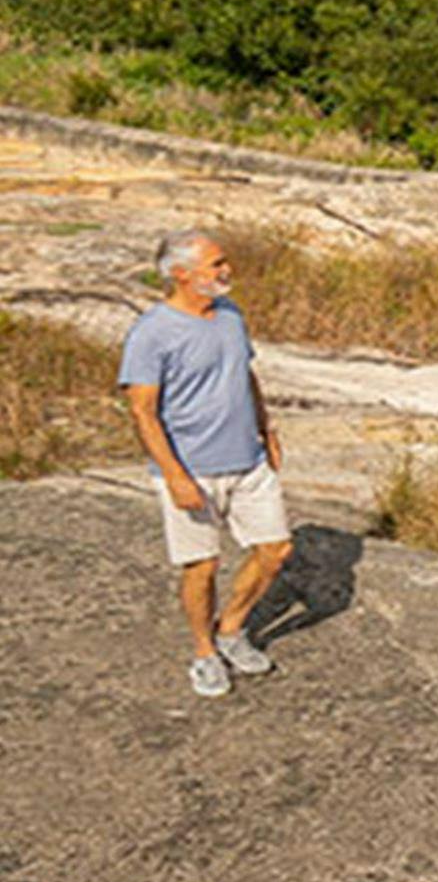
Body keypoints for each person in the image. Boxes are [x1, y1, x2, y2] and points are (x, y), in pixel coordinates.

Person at [119, 231, 292, 699]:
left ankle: (230, 628)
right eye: (216, 264)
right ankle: (204, 652)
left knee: (275, 551)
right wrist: (174, 475)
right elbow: (142, 410)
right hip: (192, 467)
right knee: (203, 566)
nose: (226, 270)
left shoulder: (231, 315)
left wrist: (267, 430)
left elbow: (245, 374)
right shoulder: (152, 333)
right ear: (182, 274)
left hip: (248, 460)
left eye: (224, 262)